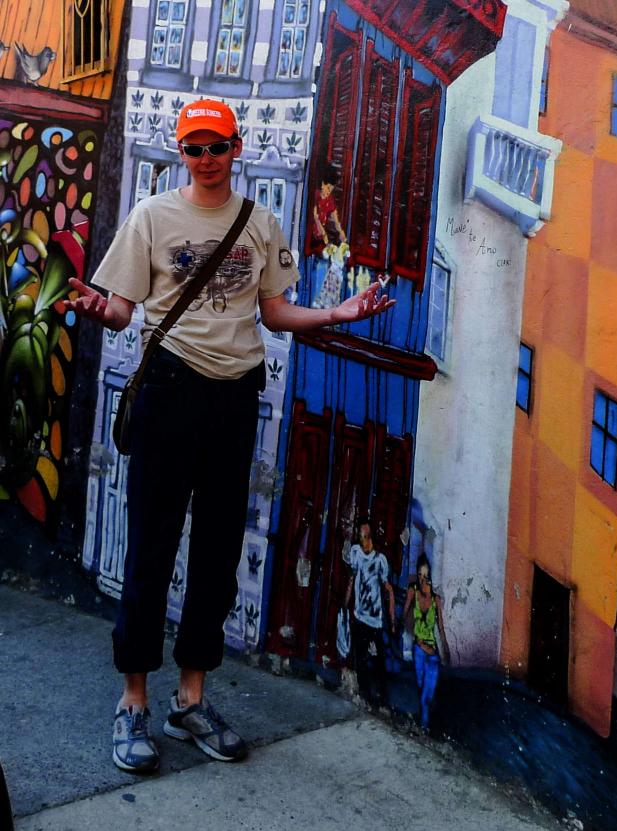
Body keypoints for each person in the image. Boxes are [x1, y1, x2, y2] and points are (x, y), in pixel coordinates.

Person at [59, 98, 394, 773]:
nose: (206, 158)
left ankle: (191, 699)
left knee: (217, 550)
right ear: (180, 151)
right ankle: (133, 702)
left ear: (237, 148)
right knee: (151, 545)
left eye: (217, 146)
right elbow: (122, 312)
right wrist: (99, 308)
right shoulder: (152, 217)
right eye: (195, 147)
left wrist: (335, 314)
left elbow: (274, 313)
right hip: (169, 390)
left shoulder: (259, 223)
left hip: (235, 398)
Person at [342, 519, 396, 709]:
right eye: (361, 536)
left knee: (378, 662)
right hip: (359, 616)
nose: (363, 540)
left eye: (366, 536)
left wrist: (392, 619)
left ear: (371, 537)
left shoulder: (380, 560)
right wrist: (345, 603)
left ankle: (382, 700)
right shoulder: (355, 552)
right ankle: (366, 697)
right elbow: (352, 578)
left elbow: (388, 589)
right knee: (361, 659)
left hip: (375, 619)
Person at [402, 556, 449, 734]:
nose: (422, 579)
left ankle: (424, 729)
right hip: (419, 650)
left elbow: (441, 628)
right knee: (422, 689)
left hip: (432, 653)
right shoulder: (412, 592)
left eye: (425, 576)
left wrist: (445, 649)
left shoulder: (436, 599)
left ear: (430, 577)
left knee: (427, 696)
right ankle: (424, 726)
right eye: (420, 575)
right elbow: (405, 616)